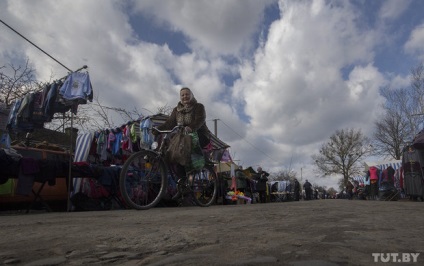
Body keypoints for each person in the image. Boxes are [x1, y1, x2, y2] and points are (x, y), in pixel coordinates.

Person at [155, 87, 211, 178]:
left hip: (200, 134)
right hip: (183, 137)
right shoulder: (176, 110)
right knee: (174, 153)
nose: (185, 96)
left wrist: (191, 128)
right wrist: (157, 130)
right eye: (182, 95)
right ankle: (182, 184)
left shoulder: (198, 107)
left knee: (185, 149)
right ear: (180, 97)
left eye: (187, 94)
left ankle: (193, 170)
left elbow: (200, 119)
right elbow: (170, 123)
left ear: (191, 95)